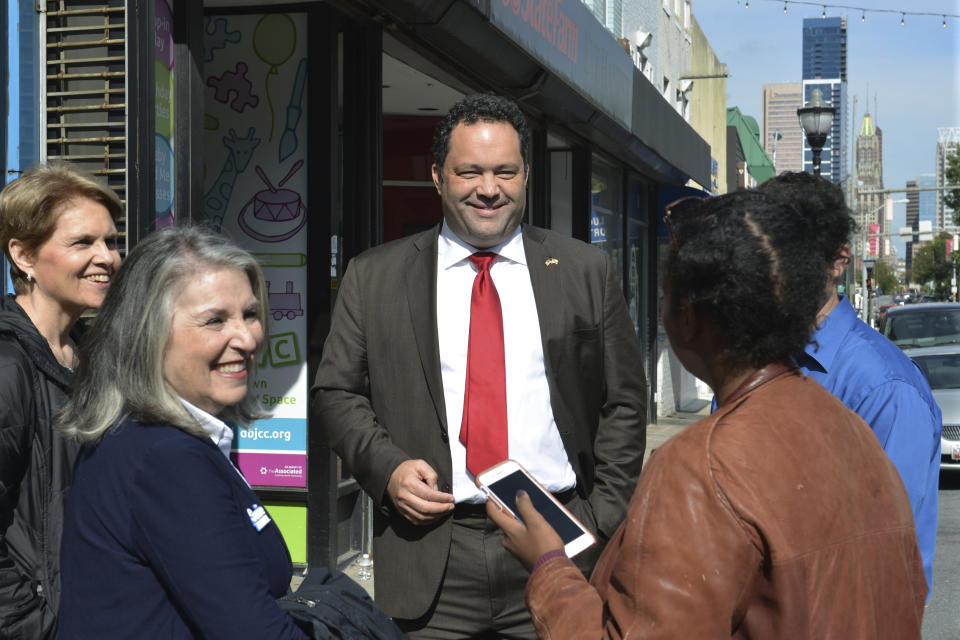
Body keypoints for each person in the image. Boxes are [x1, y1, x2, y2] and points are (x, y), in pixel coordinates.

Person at [489, 190, 927, 638]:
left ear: (688, 318)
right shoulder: (850, 428)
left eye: (665, 296)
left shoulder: (697, 469)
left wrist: (549, 568)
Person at [311, 93, 647, 638]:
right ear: (438, 178)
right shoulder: (373, 277)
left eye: (504, 172)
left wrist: (601, 517)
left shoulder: (586, 271)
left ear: (527, 176)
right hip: (431, 555)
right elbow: (335, 393)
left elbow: (625, 403)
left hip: (559, 543)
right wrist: (387, 467)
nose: (488, 189)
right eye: (469, 171)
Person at [55, 227, 308, 639]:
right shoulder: (165, 458)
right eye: (214, 320)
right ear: (148, 334)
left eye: (250, 313)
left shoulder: (157, 437)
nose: (246, 338)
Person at [758, 171, 941, 593]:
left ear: (840, 259)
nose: (777, 269)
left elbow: (880, 552)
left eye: (795, 252)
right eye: (766, 251)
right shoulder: (755, 359)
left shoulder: (885, 387)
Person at [0, 163, 122, 639]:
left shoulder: (97, 356)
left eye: (110, 241)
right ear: (24, 255)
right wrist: (32, 624)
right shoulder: (9, 366)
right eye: (82, 243)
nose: (106, 257)